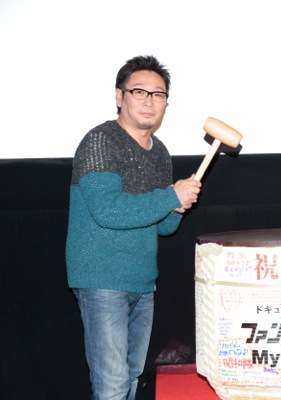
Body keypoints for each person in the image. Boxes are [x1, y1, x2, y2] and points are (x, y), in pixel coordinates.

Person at [66, 55, 201, 400]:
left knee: (131, 377)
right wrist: (169, 196)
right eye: (139, 91)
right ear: (119, 96)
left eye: (158, 94)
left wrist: (176, 207)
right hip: (102, 278)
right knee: (111, 384)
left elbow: (163, 227)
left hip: (142, 280)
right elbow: (108, 211)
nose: (149, 101)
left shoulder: (160, 152)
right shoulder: (101, 141)